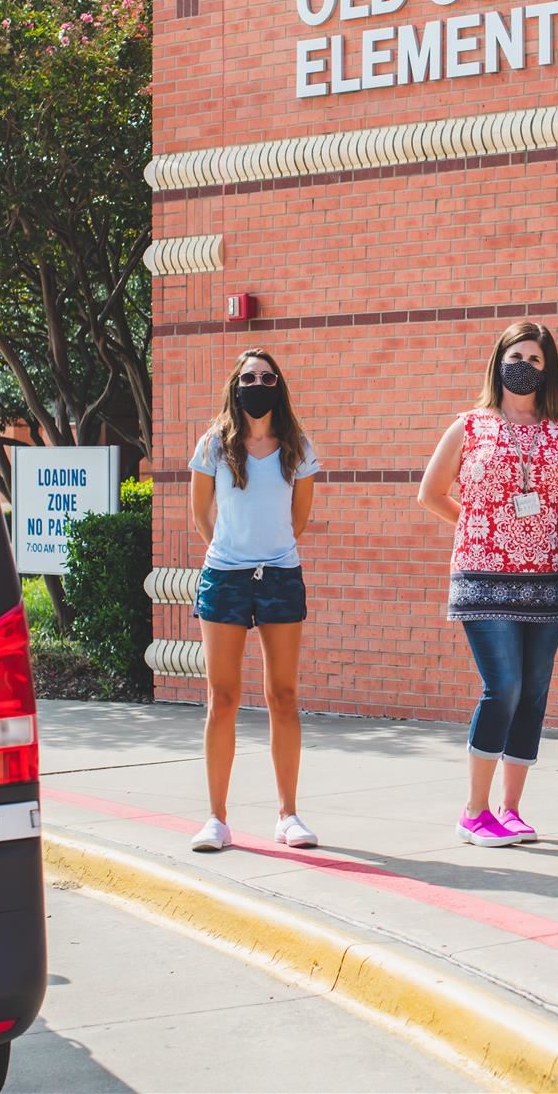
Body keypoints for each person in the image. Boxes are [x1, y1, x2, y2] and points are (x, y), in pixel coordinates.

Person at [418, 320, 558, 849]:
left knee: (533, 694)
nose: (525, 367)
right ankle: (473, 811)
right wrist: (477, 525)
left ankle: (510, 811)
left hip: (549, 580)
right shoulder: (469, 426)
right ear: (499, 360)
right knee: (504, 687)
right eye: (517, 356)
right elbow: (431, 492)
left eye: (536, 361)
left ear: (548, 369)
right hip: (484, 580)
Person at [186, 348, 321, 853]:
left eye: (266, 376)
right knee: (222, 700)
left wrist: (267, 551)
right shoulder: (214, 445)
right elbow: (202, 514)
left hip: (281, 577)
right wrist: (232, 553)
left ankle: (288, 815)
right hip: (225, 578)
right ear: (235, 386)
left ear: (278, 386)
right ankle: (217, 820)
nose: (257, 383)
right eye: (248, 377)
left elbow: (299, 519)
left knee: (282, 697)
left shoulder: (297, 447)